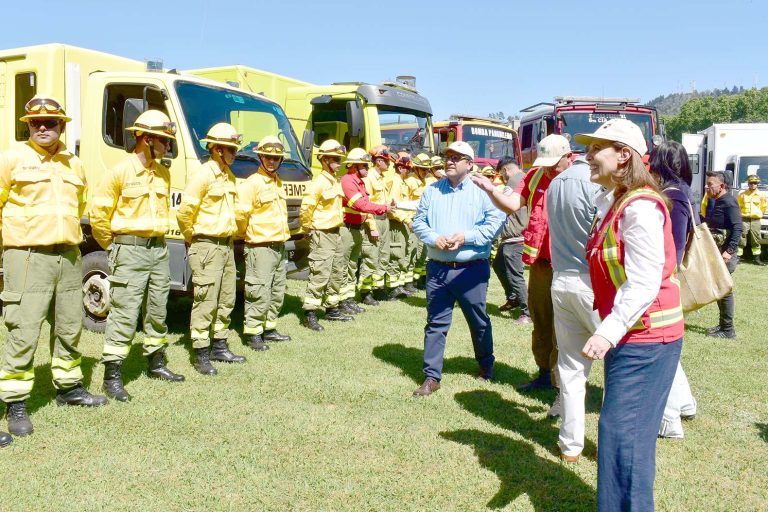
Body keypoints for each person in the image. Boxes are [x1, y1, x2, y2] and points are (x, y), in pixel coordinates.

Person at [576, 119, 683, 511]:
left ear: (624, 155)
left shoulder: (638, 206)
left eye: (596, 148)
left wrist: (607, 331)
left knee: (626, 440)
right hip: (635, 337)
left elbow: (644, 280)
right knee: (621, 436)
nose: (587, 155)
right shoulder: (616, 202)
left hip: (647, 339)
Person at [0, 96, 108, 437]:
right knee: (24, 330)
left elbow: (79, 205)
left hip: (69, 255)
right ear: (28, 125)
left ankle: (69, 388)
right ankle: (16, 403)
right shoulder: (12, 159)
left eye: (51, 122)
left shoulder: (73, 164)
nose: (43, 127)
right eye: (36, 123)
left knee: (69, 325)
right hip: (29, 256)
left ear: (63, 125)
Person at [90, 110, 185, 402]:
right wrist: (116, 247)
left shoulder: (163, 173)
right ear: (144, 139)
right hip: (129, 249)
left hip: (158, 248)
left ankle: (156, 363)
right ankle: (112, 376)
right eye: (164, 141)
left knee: (157, 308)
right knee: (125, 312)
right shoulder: (119, 172)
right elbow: (98, 216)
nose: (168, 147)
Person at [472, 135, 573, 393]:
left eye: (554, 163)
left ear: (568, 157)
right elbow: (512, 205)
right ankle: (543, 373)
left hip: (569, 265)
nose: (548, 168)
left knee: (564, 326)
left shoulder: (580, 179)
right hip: (541, 265)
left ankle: (561, 384)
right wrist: (491, 190)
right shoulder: (535, 176)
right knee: (541, 320)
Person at [411, 141, 506, 397]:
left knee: (478, 320)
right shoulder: (432, 191)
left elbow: (495, 224)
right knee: (435, 323)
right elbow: (418, 222)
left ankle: (486, 364)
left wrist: (467, 237)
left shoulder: (483, 191)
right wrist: (433, 238)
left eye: (457, 157)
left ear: (470, 163)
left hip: (471, 269)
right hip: (438, 269)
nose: (450, 160)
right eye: (447, 156)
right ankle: (432, 377)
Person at [176, 122, 247, 375]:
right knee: (205, 300)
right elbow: (185, 213)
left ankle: (220, 345)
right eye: (231, 149)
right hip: (206, 245)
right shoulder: (203, 174)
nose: (235, 154)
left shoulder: (228, 176)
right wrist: (191, 238)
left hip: (226, 246)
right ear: (216, 149)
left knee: (226, 298)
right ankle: (201, 352)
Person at [545, 151, 601, 462]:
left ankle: (570, 445)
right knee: (625, 355)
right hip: (590, 281)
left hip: (561, 279)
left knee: (570, 369)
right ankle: (672, 413)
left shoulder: (554, 184)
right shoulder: (594, 182)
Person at [649, 141, 700, 438]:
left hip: (664, 278)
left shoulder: (674, 195)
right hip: (667, 276)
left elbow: (675, 244)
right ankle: (684, 402)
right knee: (667, 348)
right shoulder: (683, 190)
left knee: (660, 347)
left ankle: (670, 419)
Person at [235, 135, 292, 352]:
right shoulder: (252, 183)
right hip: (260, 247)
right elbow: (241, 215)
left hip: (279, 246)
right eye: (267, 157)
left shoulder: (277, 182)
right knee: (258, 291)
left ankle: (269, 328)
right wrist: (247, 235)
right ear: (260, 157)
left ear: (280, 161)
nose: (271, 161)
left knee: (276, 291)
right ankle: (253, 332)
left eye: (275, 158)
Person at [299, 139, 351, 330]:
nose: (339, 163)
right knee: (320, 273)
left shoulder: (334, 181)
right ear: (325, 160)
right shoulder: (318, 182)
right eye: (335, 159)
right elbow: (306, 208)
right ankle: (310, 313)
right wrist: (308, 228)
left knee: (336, 271)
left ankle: (332, 309)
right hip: (322, 233)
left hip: (336, 232)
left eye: (339, 159)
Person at [340, 147, 390, 310]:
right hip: (347, 228)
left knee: (352, 265)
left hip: (356, 227)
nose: (367, 168)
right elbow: (360, 205)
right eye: (364, 166)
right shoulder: (348, 181)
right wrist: (383, 208)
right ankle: (342, 301)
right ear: (354, 166)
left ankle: (348, 299)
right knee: (344, 265)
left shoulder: (359, 182)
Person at [490, 157, 530, 322]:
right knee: (498, 265)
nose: (502, 179)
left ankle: (527, 312)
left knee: (515, 274)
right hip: (512, 236)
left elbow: (499, 203)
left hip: (516, 236)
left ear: (506, 170)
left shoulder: (515, 181)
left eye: (501, 175)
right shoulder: (525, 178)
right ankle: (513, 297)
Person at [703, 171, 742, 339]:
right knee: (721, 288)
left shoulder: (729, 202)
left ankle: (728, 330)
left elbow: (738, 228)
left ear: (722, 186)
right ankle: (723, 326)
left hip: (726, 254)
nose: (707, 186)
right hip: (718, 253)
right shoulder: (716, 201)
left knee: (725, 290)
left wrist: (729, 252)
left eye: (710, 184)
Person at [359, 145, 393, 302]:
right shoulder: (369, 179)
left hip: (384, 220)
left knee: (384, 256)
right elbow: (366, 205)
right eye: (386, 161)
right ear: (378, 161)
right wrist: (371, 227)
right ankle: (365, 291)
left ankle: (378, 288)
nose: (390, 164)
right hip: (373, 221)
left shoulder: (382, 178)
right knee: (371, 256)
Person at [384, 149, 414, 297]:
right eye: (408, 169)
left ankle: (397, 284)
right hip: (396, 223)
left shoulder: (401, 182)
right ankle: (392, 288)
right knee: (395, 255)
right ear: (401, 168)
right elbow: (393, 207)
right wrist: (407, 220)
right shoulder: (395, 182)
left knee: (402, 254)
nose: (409, 172)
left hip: (402, 223)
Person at [408, 153, 434, 289]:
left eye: (428, 170)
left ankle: (419, 280)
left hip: (425, 222)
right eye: (423, 169)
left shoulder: (429, 181)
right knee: (412, 252)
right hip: (412, 221)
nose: (426, 172)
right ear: (416, 169)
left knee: (423, 252)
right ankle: (409, 282)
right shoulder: (410, 182)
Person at [737, 175, 766, 265]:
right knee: (741, 238)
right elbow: (739, 207)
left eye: (755, 183)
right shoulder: (742, 195)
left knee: (756, 239)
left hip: (755, 220)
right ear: (748, 183)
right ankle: (738, 258)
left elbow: (763, 207)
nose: (753, 184)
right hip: (744, 219)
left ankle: (757, 259)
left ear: (757, 184)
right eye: (751, 183)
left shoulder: (761, 195)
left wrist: (757, 215)